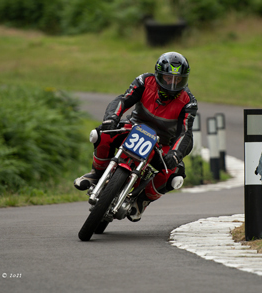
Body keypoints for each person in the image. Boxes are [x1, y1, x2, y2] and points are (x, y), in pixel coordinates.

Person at [74, 51, 198, 222]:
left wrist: (175, 154)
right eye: (168, 78)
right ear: (158, 75)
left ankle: (142, 201)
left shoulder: (189, 101)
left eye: (178, 80)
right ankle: (97, 172)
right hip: (133, 127)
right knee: (99, 135)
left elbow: (185, 132)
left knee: (175, 176)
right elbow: (123, 100)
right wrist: (112, 117)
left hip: (161, 143)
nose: (172, 84)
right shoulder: (144, 81)